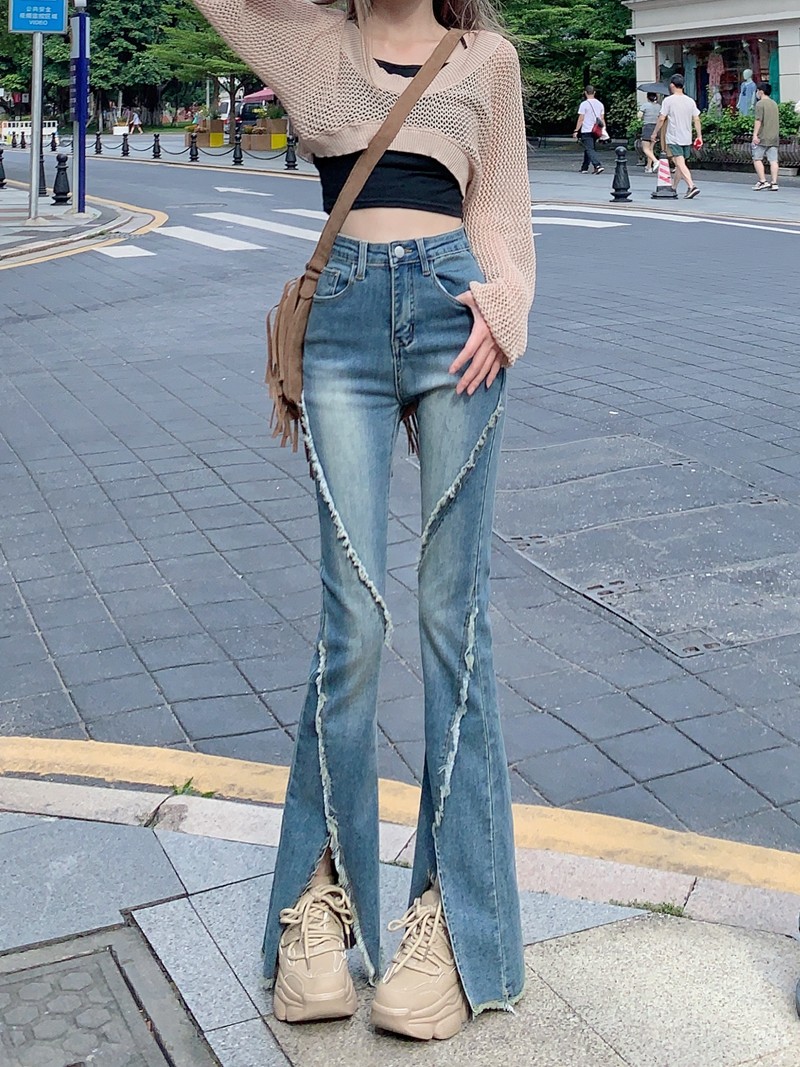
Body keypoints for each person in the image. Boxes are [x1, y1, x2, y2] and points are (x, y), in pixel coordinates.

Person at [189, 0, 535, 1045]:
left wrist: (507, 305)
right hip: (338, 328)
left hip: (455, 319)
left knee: (450, 620)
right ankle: (318, 899)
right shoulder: (310, 44)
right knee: (354, 625)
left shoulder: (486, 59)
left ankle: (450, 922)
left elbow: (502, 212)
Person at [651, 74, 702, 199]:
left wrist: (655, 132)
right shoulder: (690, 101)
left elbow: (661, 118)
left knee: (679, 162)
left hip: (674, 136)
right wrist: (699, 136)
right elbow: (696, 119)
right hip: (687, 136)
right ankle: (673, 187)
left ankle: (691, 186)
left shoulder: (668, 101)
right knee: (681, 163)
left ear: (672, 85)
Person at [752, 81, 780, 191]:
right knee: (773, 160)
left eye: (757, 90)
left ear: (761, 92)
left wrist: (755, 135)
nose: (757, 93)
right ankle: (774, 183)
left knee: (757, 158)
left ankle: (763, 181)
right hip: (774, 136)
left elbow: (758, 120)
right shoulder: (774, 104)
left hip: (762, 136)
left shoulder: (760, 104)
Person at [573, 85, 605, 174]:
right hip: (596, 130)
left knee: (589, 149)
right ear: (594, 92)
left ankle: (597, 165)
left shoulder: (584, 104)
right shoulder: (600, 104)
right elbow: (602, 119)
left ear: (585, 93)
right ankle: (584, 167)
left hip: (587, 129)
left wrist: (576, 130)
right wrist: (603, 130)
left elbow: (581, 119)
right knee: (589, 148)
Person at [638, 92, 661, 173]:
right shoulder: (659, 106)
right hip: (656, 128)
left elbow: (639, 115)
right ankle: (648, 167)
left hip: (647, 127)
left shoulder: (645, 105)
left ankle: (656, 161)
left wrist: (642, 117)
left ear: (647, 97)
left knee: (645, 148)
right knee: (650, 149)